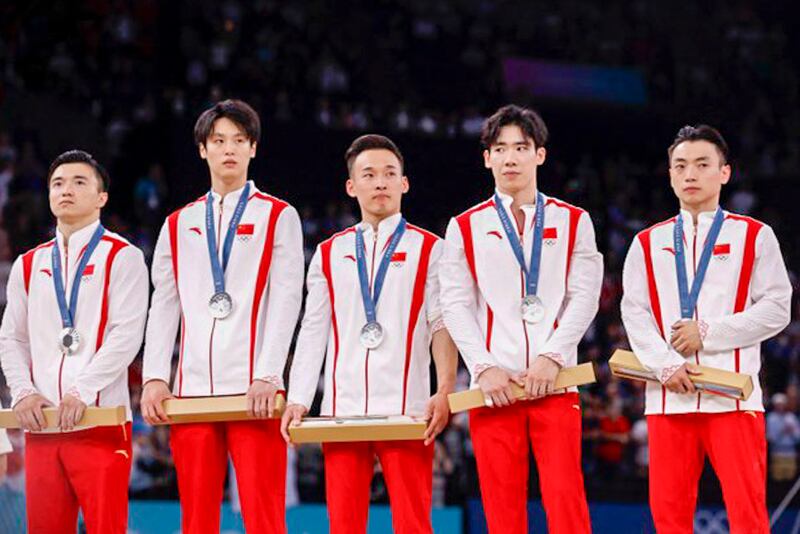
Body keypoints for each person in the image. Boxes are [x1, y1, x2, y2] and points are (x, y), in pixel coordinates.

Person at [140, 99, 304, 534]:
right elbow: (164, 304)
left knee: (264, 518)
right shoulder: (178, 223)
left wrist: (269, 374)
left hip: (256, 391)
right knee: (196, 520)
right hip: (192, 392)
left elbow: (288, 298)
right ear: (202, 150)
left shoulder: (278, 215)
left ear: (253, 148)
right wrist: (156, 374)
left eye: (238, 140)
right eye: (218, 141)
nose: (228, 149)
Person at [281, 134, 457, 534]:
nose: (380, 183)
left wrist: (444, 387)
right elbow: (313, 331)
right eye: (369, 174)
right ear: (351, 186)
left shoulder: (432, 249)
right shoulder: (328, 253)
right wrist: (298, 398)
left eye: (389, 174)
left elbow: (441, 323)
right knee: (344, 525)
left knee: (414, 523)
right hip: (342, 414)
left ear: (404, 183)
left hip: (408, 409)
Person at [621, 125, 792, 533]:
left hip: (733, 399)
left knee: (749, 517)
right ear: (669, 175)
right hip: (668, 398)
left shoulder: (754, 236)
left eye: (702, 164)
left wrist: (709, 333)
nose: (690, 175)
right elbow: (634, 312)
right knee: (669, 517)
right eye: (680, 166)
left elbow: (778, 309)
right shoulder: (646, 242)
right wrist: (665, 365)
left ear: (725, 173)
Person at [439, 104, 602, 533]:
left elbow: (583, 297)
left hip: (555, 381)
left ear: (540, 155)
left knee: (566, 498)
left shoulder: (573, 221)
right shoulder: (464, 226)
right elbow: (454, 305)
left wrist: (552, 356)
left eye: (521, 147)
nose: (510, 157)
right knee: (501, 505)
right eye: (500, 148)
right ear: (487, 158)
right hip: (493, 390)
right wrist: (483, 367)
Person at [0, 149, 149, 533]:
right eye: (58, 183)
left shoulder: (124, 257)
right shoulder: (28, 264)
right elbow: (11, 337)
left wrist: (82, 391)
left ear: (102, 197)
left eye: (79, 182)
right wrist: (23, 393)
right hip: (43, 424)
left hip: (99, 422)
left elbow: (126, 334)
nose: (66, 189)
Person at [766, 392, 800, 481]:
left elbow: (798, 437)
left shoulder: (791, 417)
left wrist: (792, 431)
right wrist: (782, 431)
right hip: (777, 453)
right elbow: (770, 438)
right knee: (778, 478)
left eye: (782, 404)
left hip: (791, 453)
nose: (780, 407)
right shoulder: (771, 418)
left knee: (790, 478)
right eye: (778, 405)